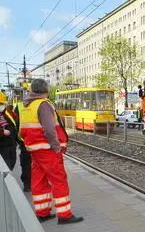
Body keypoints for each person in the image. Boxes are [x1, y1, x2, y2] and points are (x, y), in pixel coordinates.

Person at [19, 78, 83, 224]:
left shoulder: (27, 106)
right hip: (47, 149)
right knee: (58, 180)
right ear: (46, 90)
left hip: (35, 150)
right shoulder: (43, 105)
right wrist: (56, 146)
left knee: (39, 180)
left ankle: (42, 213)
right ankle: (64, 215)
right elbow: (49, 130)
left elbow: (22, 129)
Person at [14, 100, 32, 192]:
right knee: (39, 163)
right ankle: (30, 183)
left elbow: (15, 125)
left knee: (26, 164)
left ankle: (27, 184)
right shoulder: (44, 103)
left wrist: (18, 140)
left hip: (24, 141)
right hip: (40, 141)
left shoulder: (20, 106)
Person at [0, 92, 18, 171]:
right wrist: (2, 131)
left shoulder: (7, 112)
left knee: (10, 166)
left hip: (11, 145)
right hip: (2, 145)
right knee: (5, 169)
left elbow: (15, 123)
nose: (1, 105)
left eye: (2, 103)